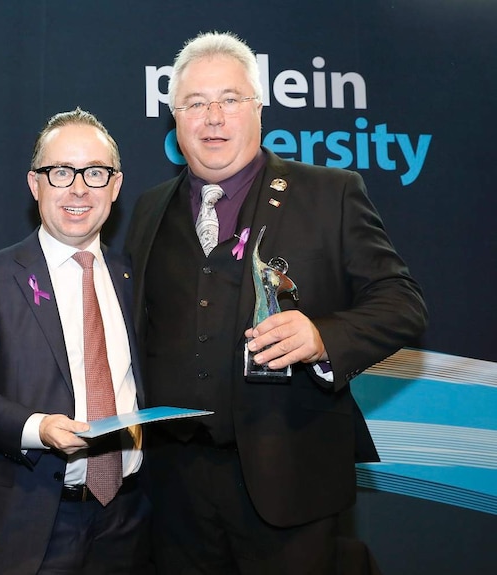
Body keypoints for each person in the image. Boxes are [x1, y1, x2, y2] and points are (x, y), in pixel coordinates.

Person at [124, 32, 428, 575]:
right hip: (174, 492)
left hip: (292, 482)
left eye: (230, 99)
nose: (213, 117)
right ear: (174, 118)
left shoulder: (330, 192)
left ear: (258, 109)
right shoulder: (148, 210)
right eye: (195, 103)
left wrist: (322, 337)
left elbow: (402, 304)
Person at [0, 108, 152, 575]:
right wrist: (38, 428)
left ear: (115, 187)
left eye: (94, 173)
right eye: (61, 172)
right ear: (35, 185)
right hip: (28, 522)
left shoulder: (135, 278)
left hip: (129, 523)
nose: (78, 188)